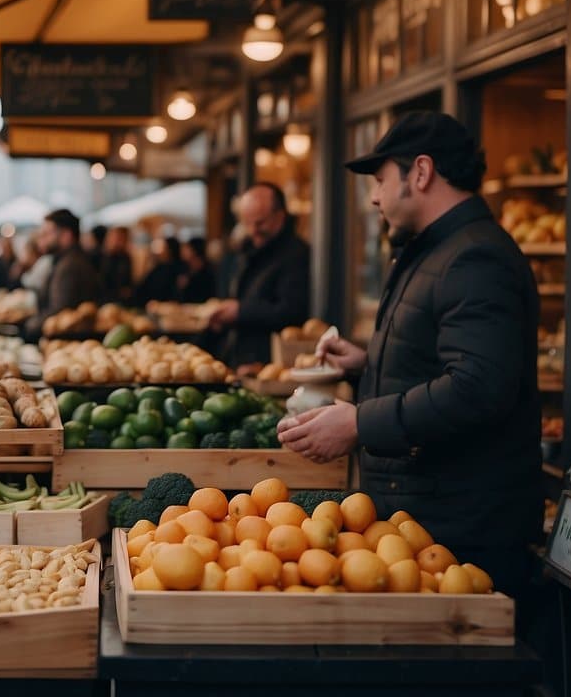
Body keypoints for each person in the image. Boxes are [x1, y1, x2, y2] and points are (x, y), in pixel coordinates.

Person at [276, 112, 541, 599]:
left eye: (380, 180)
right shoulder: (434, 250)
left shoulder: (474, 257)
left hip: (462, 527)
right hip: (431, 516)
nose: (374, 197)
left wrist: (359, 423)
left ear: (420, 173)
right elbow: (442, 358)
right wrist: (367, 363)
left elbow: (478, 387)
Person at [208, 183, 310, 368]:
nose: (253, 230)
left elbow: (291, 310)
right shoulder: (246, 250)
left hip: (270, 363)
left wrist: (240, 312)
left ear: (280, 216)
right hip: (239, 357)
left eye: (260, 222)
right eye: (247, 223)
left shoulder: (295, 254)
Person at [30, 209, 102, 329]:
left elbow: (60, 311)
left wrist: (30, 325)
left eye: (47, 234)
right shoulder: (68, 260)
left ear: (66, 236)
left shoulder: (70, 265)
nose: (42, 240)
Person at [136, 237, 183, 306]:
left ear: (170, 250)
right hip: (149, 304)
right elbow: (143, 286)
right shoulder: (159, 266)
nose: (161, 251)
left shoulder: (177, 268)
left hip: (164, 306)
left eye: (164, 248)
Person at [99, 226, 134, 304]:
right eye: (117, 238)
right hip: (104, 300)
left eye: (122, 239)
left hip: (121, 300)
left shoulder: (125, 257)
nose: (118, 242)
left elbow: (128, 280)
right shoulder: (100, 257)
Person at [178, 237, 217, 303]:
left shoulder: (208, 270)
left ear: (195, 250)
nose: (183, 250)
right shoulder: (185, 268)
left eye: (187, 248)